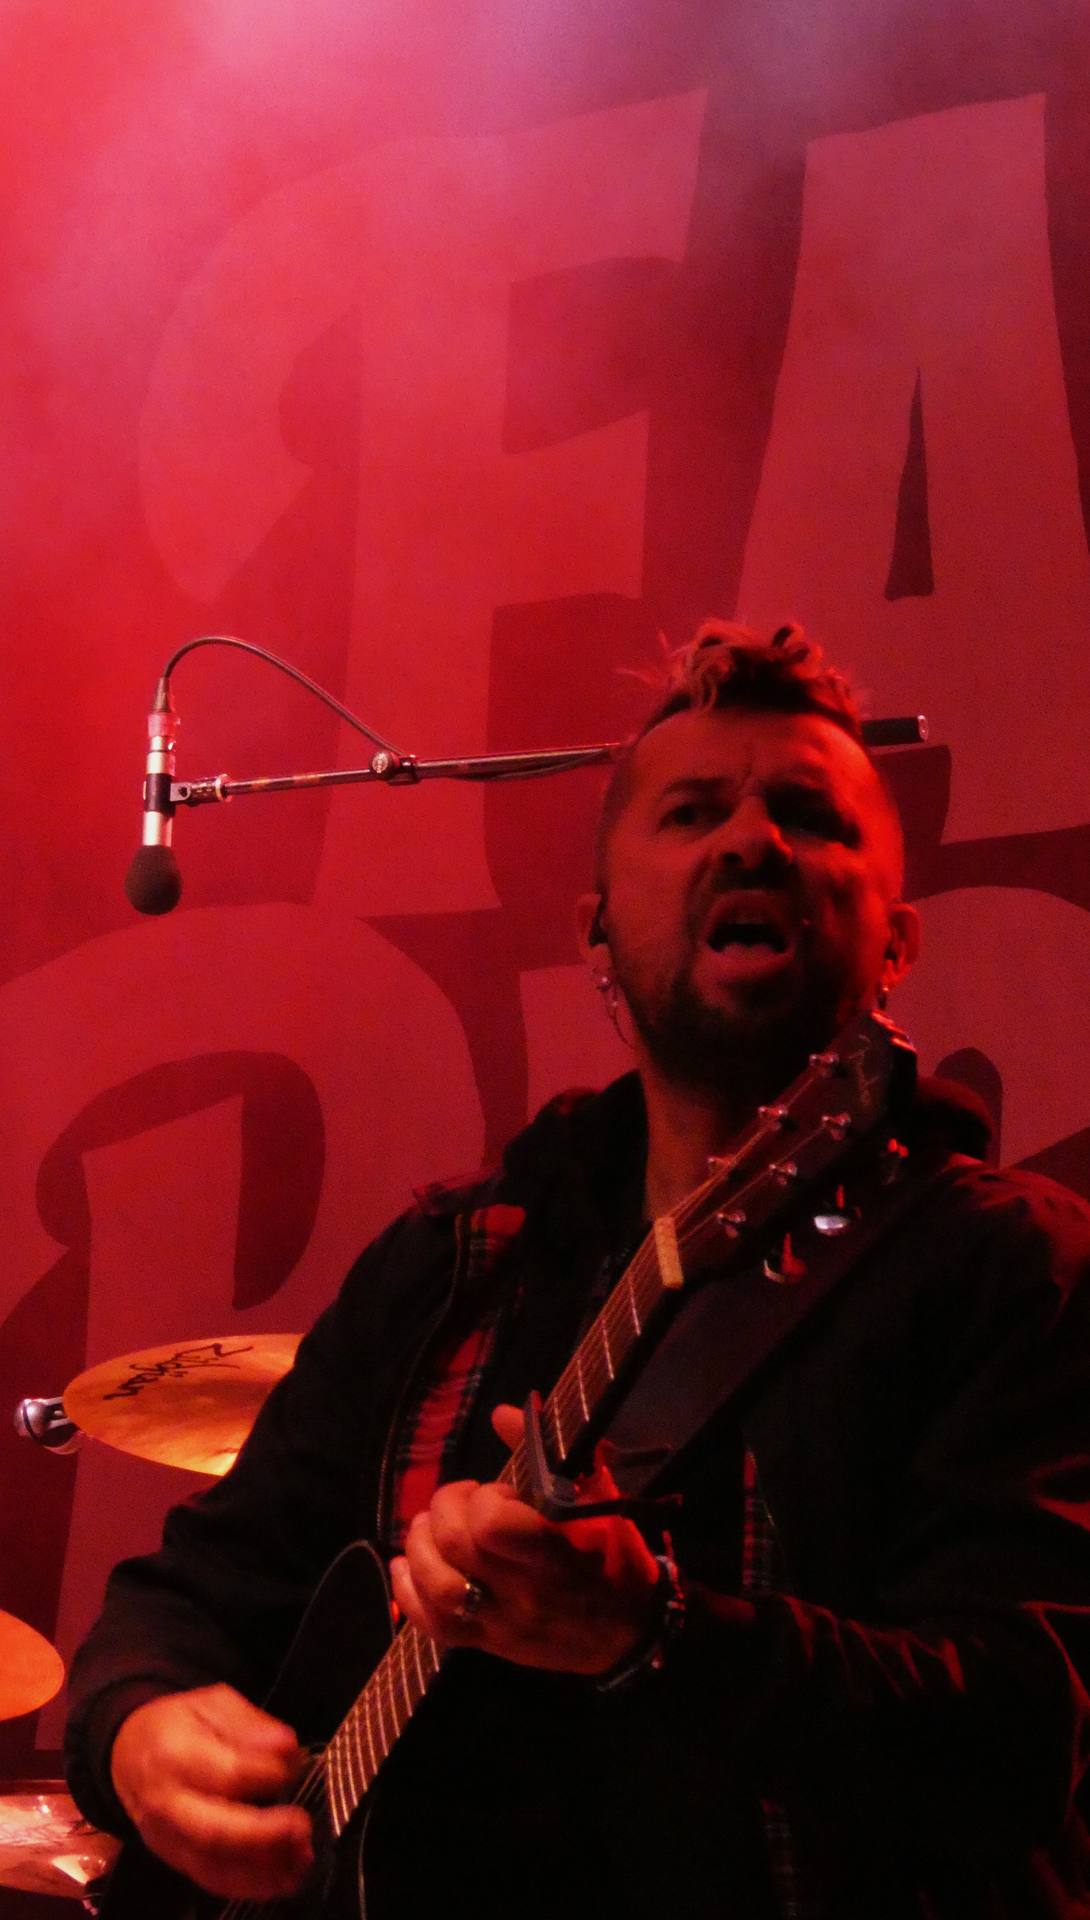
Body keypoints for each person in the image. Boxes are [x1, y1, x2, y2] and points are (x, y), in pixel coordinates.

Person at [65, 622, 1090, 1919]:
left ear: (898, 946)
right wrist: (138, 1732)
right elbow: (191, 1594)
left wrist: (655, 1636)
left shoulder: (1010, 1267)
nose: (751, 841)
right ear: (595, 937)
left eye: (808, 816)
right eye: (692, 811)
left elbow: (1019, 1735)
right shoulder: (457, 1265)